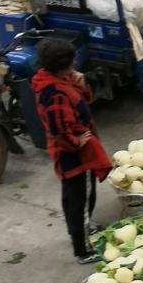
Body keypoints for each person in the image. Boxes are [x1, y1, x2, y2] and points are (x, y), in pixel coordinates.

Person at [31, 37, 111, 263]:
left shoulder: (55, 81)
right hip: (75, 157)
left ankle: (79, 229)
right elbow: (58, 128)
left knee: (74, 199)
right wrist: (77, 141)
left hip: (71, 154)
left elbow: (83, 101)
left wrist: (82, 84)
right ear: (67, 63)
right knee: (81, 201)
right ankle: (83, 250)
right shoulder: (55, 93)